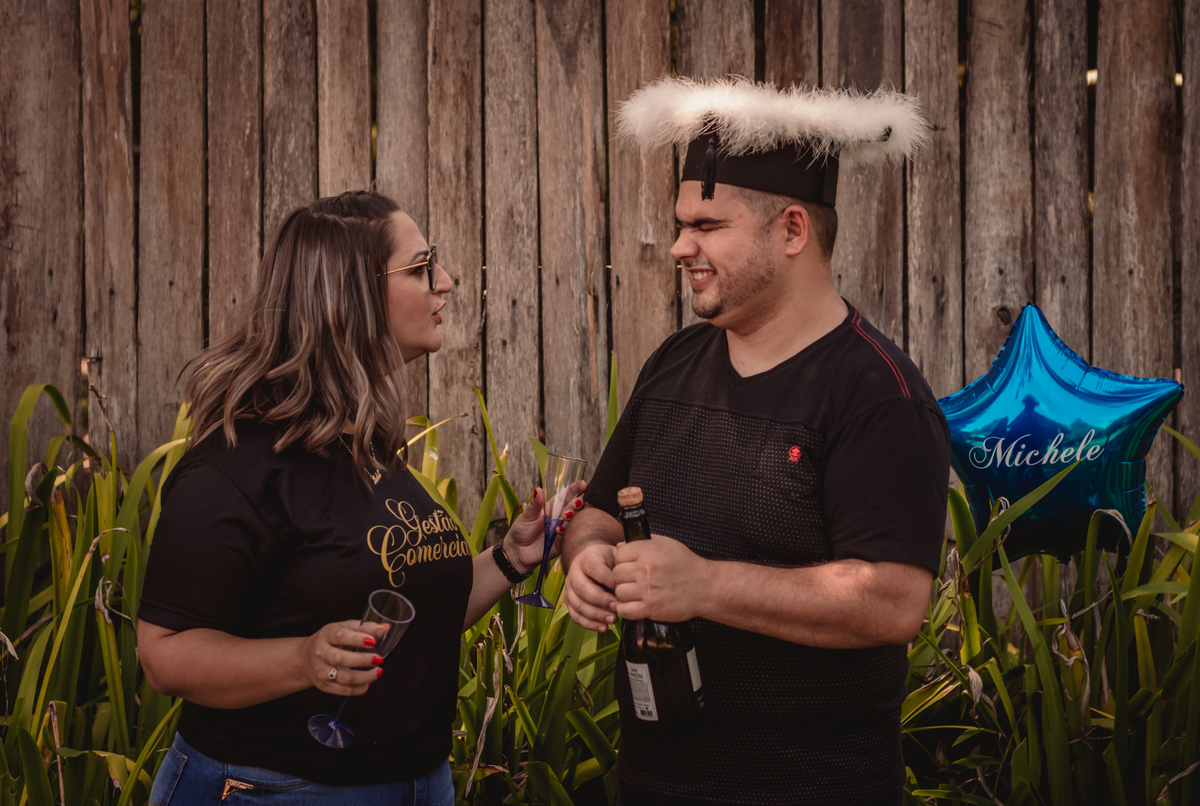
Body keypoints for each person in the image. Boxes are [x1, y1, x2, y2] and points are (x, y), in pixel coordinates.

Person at [563, 78, 952, 806]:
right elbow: (599, 510)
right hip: (652, 785)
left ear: (793, 231)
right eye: (681, 223)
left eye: (707, 225)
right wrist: (586, 556)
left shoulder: (877, 395)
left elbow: (893, 601)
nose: (680, 247)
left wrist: (703, 585)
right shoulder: (674, 363)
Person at [138, 190, 580, 805]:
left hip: (415, 784)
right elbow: (164, 656)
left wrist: (510, 558)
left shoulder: (364, 448)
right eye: (421, 268)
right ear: (352, 296)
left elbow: (413, 619)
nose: (445, 282)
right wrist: (303, 658)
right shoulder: (234, 467)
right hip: (273, 790)